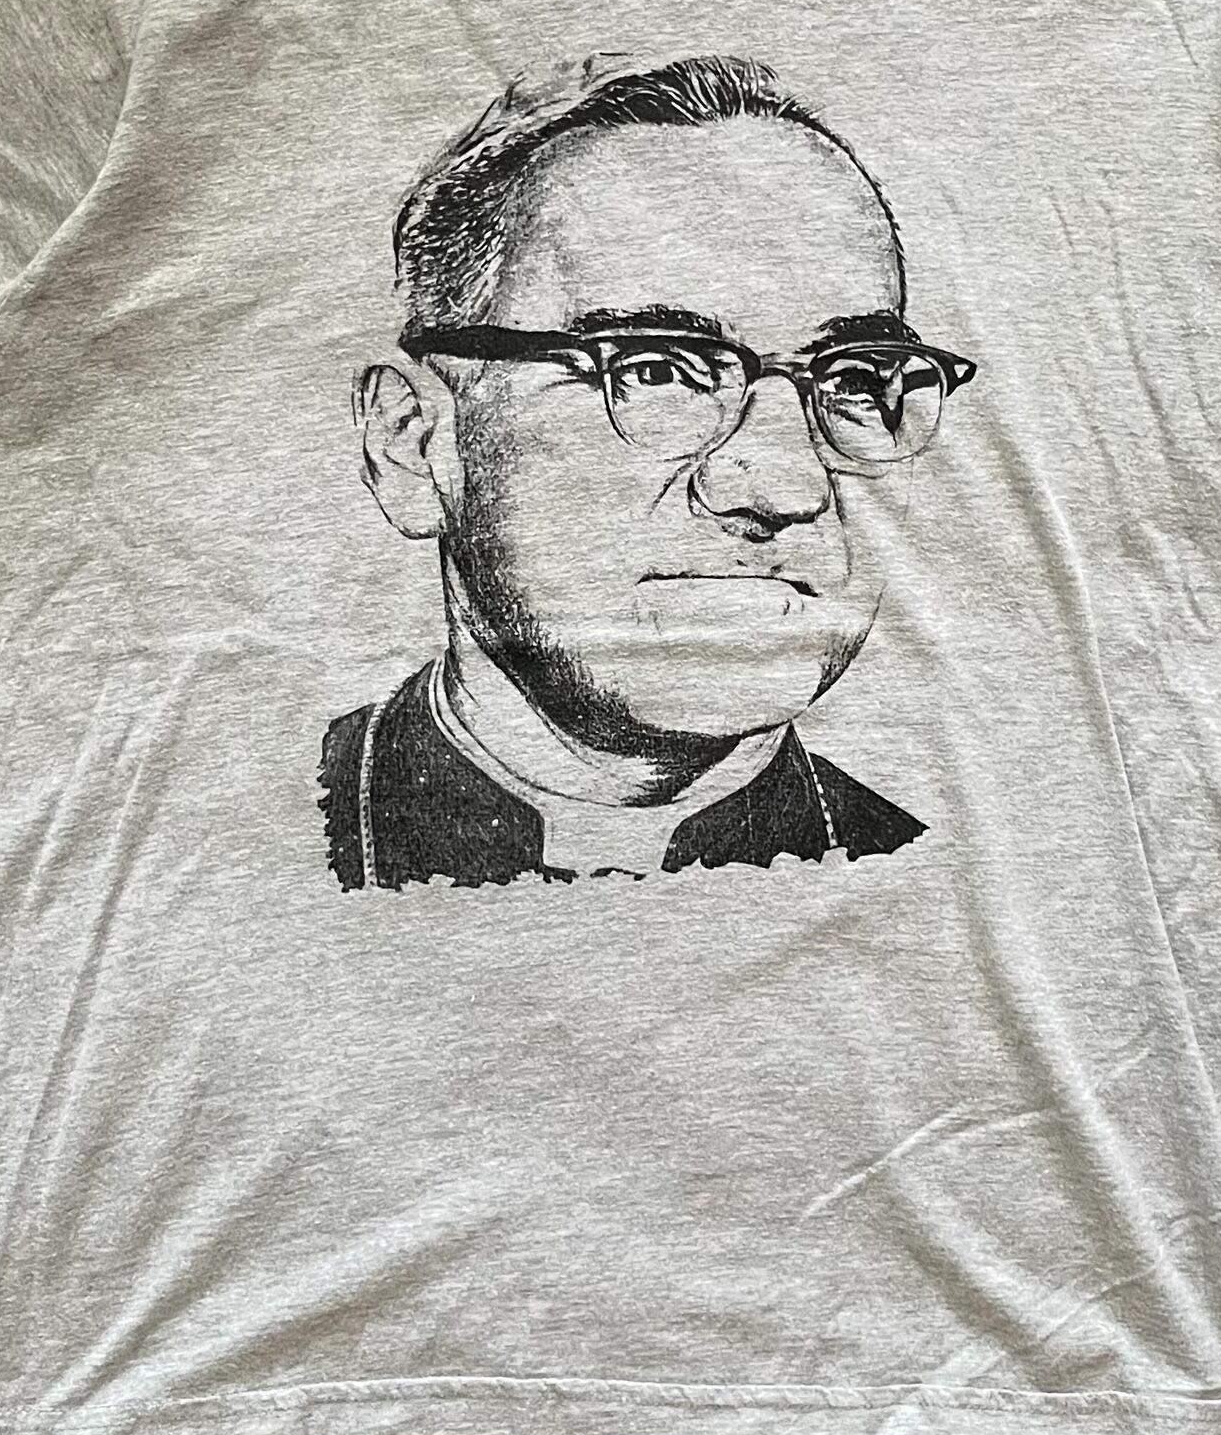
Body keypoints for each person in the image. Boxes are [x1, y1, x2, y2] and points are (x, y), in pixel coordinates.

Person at [321, 52, 978, 890]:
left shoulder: (937, 872)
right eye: (657, 370)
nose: (786, 488)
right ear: (414, 443)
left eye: (854, 379)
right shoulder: (248, 832)